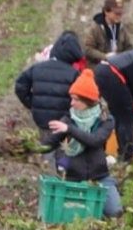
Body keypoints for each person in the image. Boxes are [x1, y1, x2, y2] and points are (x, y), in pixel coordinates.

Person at [42, 69, 122, 218]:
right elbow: (50, 143)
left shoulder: (105, 120)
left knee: (115, 212)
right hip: (72, 178)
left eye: (76, 99)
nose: (72, 103)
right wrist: (28, 148)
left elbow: (95, 140)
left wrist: (69, 129)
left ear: (88, 101)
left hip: (99, 176)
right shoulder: (68, 119)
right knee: (71, 216)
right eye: (71, 98)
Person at [14, 30, 84, 136]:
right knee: (63, 150)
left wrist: (32, 103)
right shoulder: (73, 74)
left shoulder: (37, 68)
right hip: (64, 122)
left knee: (45, 146)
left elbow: (20, 86)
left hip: (41, 120)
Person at [84, 0, 133, 67]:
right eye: (116, 13)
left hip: (117, 67)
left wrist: (121, 57)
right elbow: (88, 50)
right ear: (106, 12)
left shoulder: (121, 29)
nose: (119, 16)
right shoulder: (95, 28)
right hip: (98, 68)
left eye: (120, 13)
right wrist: (105, 57)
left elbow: (129, 47)